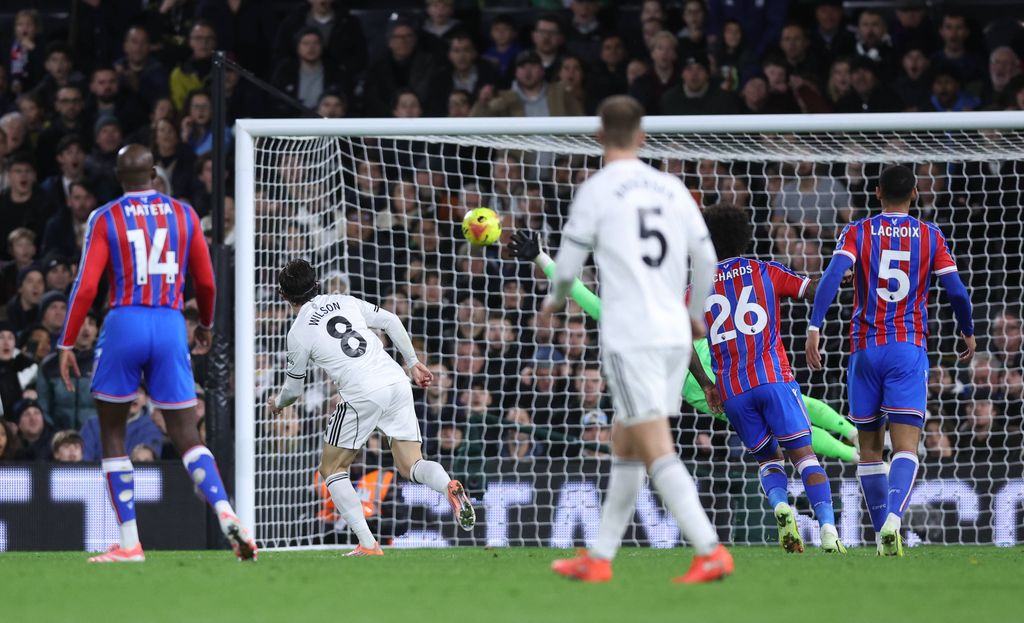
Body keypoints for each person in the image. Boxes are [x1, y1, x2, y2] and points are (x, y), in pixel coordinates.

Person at [547, 95, 730, 584]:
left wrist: (554, 300)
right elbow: (708, 260)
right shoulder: (671, 187)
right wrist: (694, 317)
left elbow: (567, 268)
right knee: (625, 443)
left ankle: (710, 548)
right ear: (643, 136)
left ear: (599, 137)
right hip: (674, 335)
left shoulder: (598, 189)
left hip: (633, 337)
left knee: (654, 446)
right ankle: (601, 557)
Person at [56, 144, 255, 563]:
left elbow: (87, 286)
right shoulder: (183, 214)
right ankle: (226, 512)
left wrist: (67, 340)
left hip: (124, 321)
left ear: (117, 175)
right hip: (168, 324)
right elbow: (206, 280)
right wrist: (205, 324)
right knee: (187, 435)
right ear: (154, 174)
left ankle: (129, 542)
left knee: (113, 434)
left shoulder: (105, 216)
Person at [508, 229, 860, 464]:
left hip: (704, 385)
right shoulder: (670, 299)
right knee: (790, 405)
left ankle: (854, 452)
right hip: (725, 362)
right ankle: (853, 435)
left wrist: (542, 258)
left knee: (780, 426)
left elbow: (580, 294)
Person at [806, 164, 976, 556]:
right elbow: (957, 292)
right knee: (905, 448)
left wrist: (815, 326)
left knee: (869, 450)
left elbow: (832, 276)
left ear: (877, 192)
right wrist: (967, 330)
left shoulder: (858, 231)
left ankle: (884, 530)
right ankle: (894, 521)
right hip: (906, 349)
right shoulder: (930, 236)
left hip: (864, 351)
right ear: (915, 193)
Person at [267, 259, 475, 556]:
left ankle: (367, 544)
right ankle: (447, 486)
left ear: (283, 296)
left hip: (362, 392)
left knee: (332, 469)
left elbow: (294, 390)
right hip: (396, 380)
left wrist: (277, 403)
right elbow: (390, 320)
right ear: (318, 284)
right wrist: (413, 363)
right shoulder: (344, 301)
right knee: (411, 465)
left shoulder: (298, 333)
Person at [695, 204, 845, 553]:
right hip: (772, 378)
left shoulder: (696, 287)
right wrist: (839, 274)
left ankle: (780, 506)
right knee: (805, 457)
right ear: (745, 237)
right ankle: (828, 530)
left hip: (732, 389)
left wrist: (705, 383)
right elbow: (811, 290)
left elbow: (680, 337)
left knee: (768, 460)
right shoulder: (764, 271)